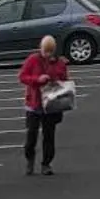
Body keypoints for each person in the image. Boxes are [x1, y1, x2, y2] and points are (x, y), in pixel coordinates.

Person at [19, 35, 71, 176]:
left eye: (50, 51)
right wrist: (37, 79)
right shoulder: (33, 60)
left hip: (51, 105)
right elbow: (22, 77)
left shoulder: (59, 63)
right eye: (45, 51)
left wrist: (56, 79)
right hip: (34, 104)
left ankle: (46, 164)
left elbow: (64, 80)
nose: (47, 54)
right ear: (40, 48)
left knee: (49, 136)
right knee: (31, 136)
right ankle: (30, 160)